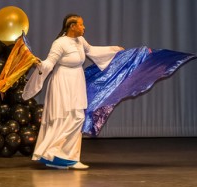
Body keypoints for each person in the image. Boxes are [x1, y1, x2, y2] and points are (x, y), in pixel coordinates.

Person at [22, 14, 123, 170]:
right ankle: (54, 153)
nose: (84, 27)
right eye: (81, 25)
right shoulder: (60, 43)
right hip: (63, 82)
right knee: (67, 117)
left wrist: (114, 51)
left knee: (77, 117)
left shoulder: (80, 41)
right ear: (72, 26)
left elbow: (92, 51)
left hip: (76, 80)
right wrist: (39, 64)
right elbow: (50, 63)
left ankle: (68, 157)